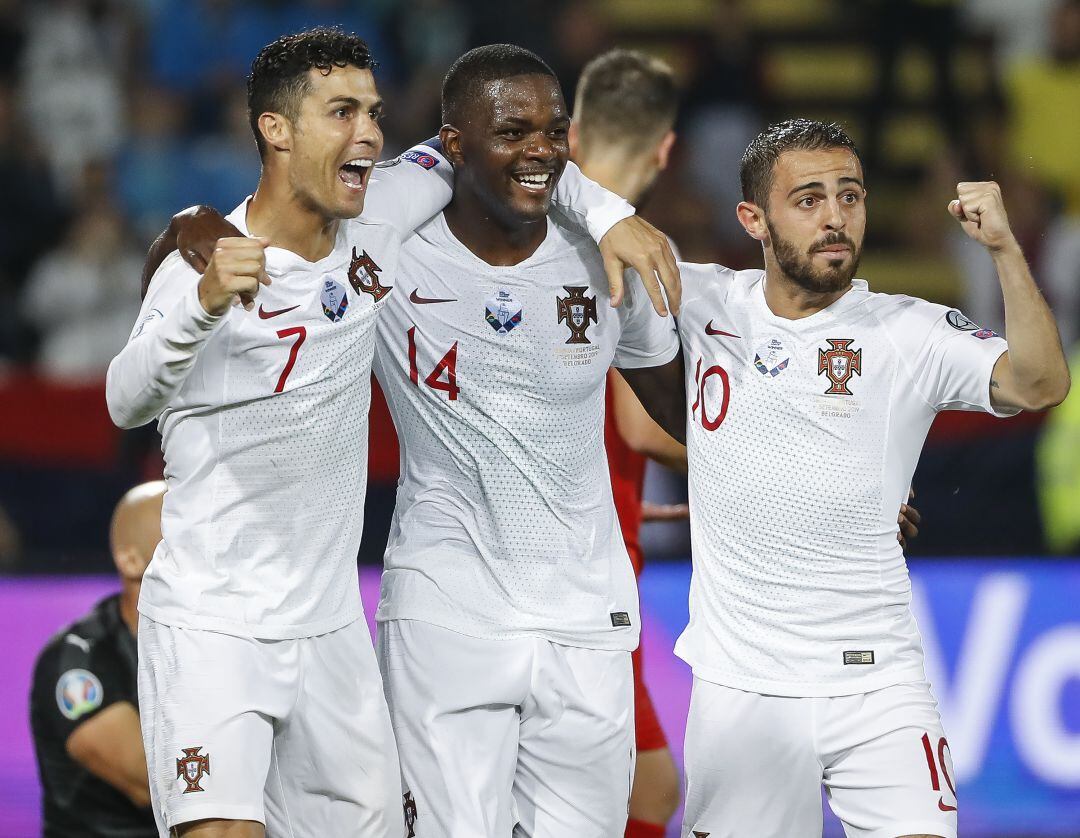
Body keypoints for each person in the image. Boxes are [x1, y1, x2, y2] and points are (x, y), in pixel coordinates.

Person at [117, 30, 676, 838]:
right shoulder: (212, 261)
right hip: (218, 615)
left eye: (374, 112)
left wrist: (609, 210)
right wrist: (198, 290)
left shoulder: (384, 212)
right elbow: (123, 397)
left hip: (335, 625)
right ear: (277, 129)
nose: (370, 133)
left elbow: (483, 152)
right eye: (343, 112)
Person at [669, 119, 1069, 837]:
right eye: (810, 199)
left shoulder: (908, 331)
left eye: (850, 197)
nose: (835, 218)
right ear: (753, 219)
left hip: (878, 683)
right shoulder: (704, 304)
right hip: (743, 692)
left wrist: (1005, 249)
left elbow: (1039, 384)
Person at [369, 45, 684, 838]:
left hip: (586, 618)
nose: (540, 148)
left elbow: (678, 411)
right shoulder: (388, 255)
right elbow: (308, 216)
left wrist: (812, 487)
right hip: (448, 613)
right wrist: (189, 236)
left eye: (553, 130)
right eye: (512, 130)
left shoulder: (610, 260)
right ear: (453, 145)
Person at [570, 48, 685, 838]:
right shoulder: (633, 249)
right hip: (594, 572)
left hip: (546, 544)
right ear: (666, 149)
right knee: (645, 791)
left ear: (570, 132)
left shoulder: (522, 231)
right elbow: (643, 421)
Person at [30, 481, 165, 838]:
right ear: (130, 559)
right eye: (180, 529)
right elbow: (151, 782)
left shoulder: (219, 648)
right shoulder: (76, 662)